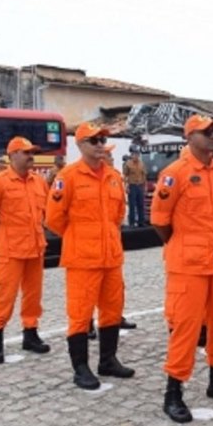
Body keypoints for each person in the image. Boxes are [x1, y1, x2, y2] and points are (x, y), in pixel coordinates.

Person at [151, 114, 213, 423]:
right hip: (188, 265)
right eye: (205, 132)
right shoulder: (174, 173)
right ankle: (173, 392)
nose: (211, 137)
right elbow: (159, 221)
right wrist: (181, 245)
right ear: (189, 136)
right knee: (186, 328)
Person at [45, 122, 135, 390]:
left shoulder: (113, 176)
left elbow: (119, 214)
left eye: (102, 139)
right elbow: (53, 219)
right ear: (80, 145)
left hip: (111, 257)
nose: (99, 145)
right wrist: (79, 238)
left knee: (112, 310)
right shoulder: (68, 177)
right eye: (93, 141)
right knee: (80, 313)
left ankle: (108, 360)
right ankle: (80, 367)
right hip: (82, 259)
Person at [0, 137, 51, 364]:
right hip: (11, 249)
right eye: (26, 152)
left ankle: (30, 333)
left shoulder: (39, 182)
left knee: (33, 295)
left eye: (32, 152)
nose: (31, 156)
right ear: (13, 156)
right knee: (5, 295)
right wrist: (11, 229)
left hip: (35, 247)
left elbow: (47, 211)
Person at [123, 151, 147, 227]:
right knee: (132, 205)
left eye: (137, 155)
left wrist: (145, 186)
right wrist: (126, 186)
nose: (136, 156)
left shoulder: (142, 164)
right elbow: (125, 176)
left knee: (141, 204)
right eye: (134, 155)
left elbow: (144, 175)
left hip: (140, 185)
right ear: (132, 155)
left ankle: (141, 222)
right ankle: (132, 223)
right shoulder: (128, 164)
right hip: (132, 186)